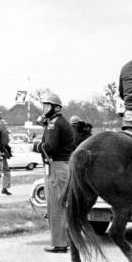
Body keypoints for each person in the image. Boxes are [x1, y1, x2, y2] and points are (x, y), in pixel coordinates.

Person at [38, 92, 78, 253]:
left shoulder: (54, 124)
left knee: (55, 207)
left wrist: (36, 145)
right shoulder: (59, 122)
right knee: (61, 206)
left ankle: (59, 243)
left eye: (47, 106)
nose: (44, 109)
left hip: (56, 167)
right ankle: (64, 240)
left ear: (55, 108)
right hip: (63, 166)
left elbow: (49, 148)